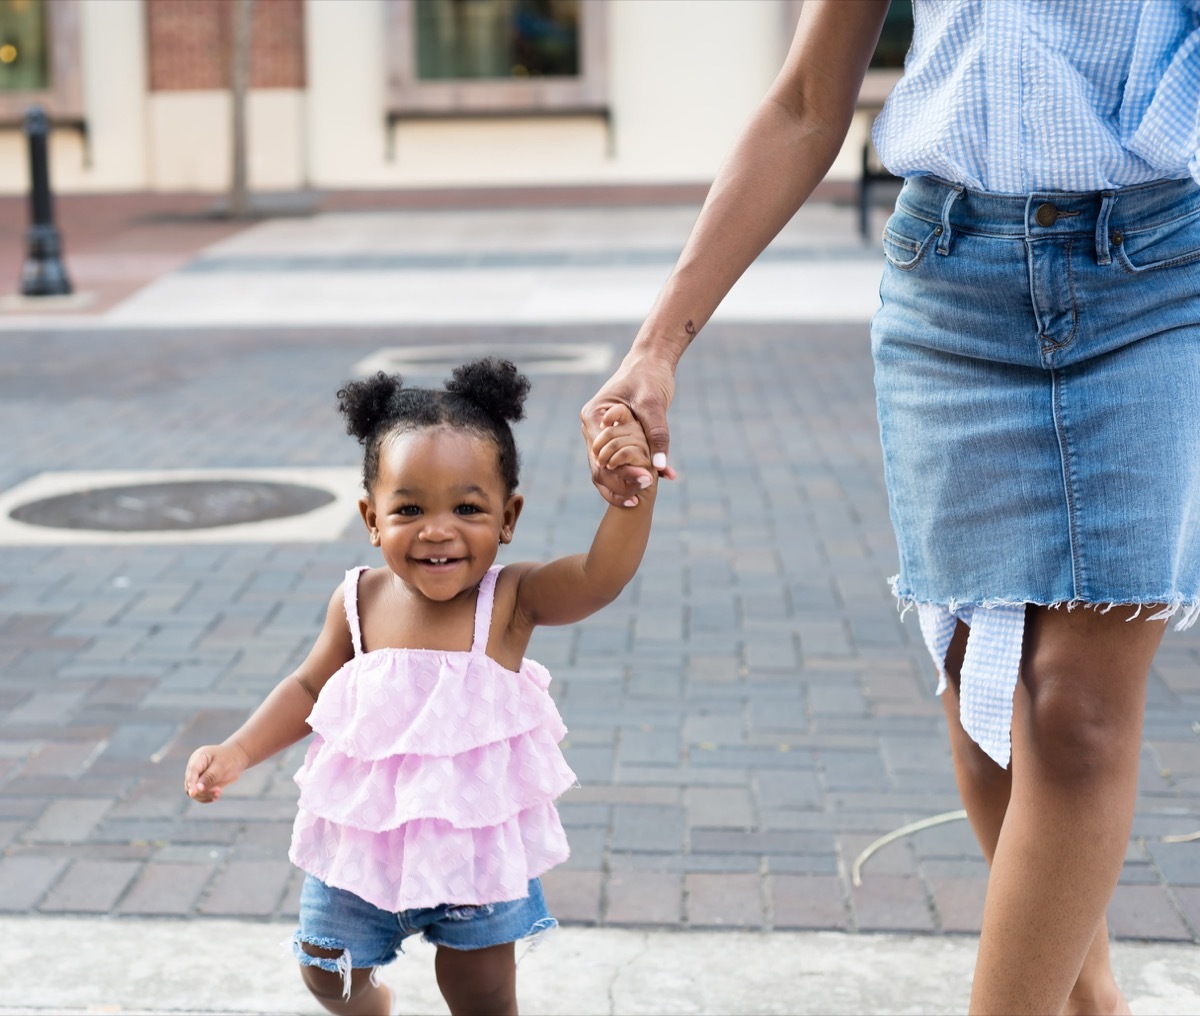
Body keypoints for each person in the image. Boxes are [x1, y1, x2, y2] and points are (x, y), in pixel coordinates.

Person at [581, 2, 1200, 1013]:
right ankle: (1091, 1000)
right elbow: (805, 103)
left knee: (1076, 709)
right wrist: (658, 345)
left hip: (1154, 277)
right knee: (982, 696)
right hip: (949, 285)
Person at [186, 358, 656, 1016]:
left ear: (508, 515)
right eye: (409, 508)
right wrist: (236, 751)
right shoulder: (357, 598)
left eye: (468, 507)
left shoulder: (512, 599)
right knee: (327, 967)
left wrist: (632, 495)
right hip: (362, 842)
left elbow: (600, 576)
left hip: (473, 848)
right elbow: (306, 687)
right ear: (372, 518)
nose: (438, 530)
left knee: (481, 991)